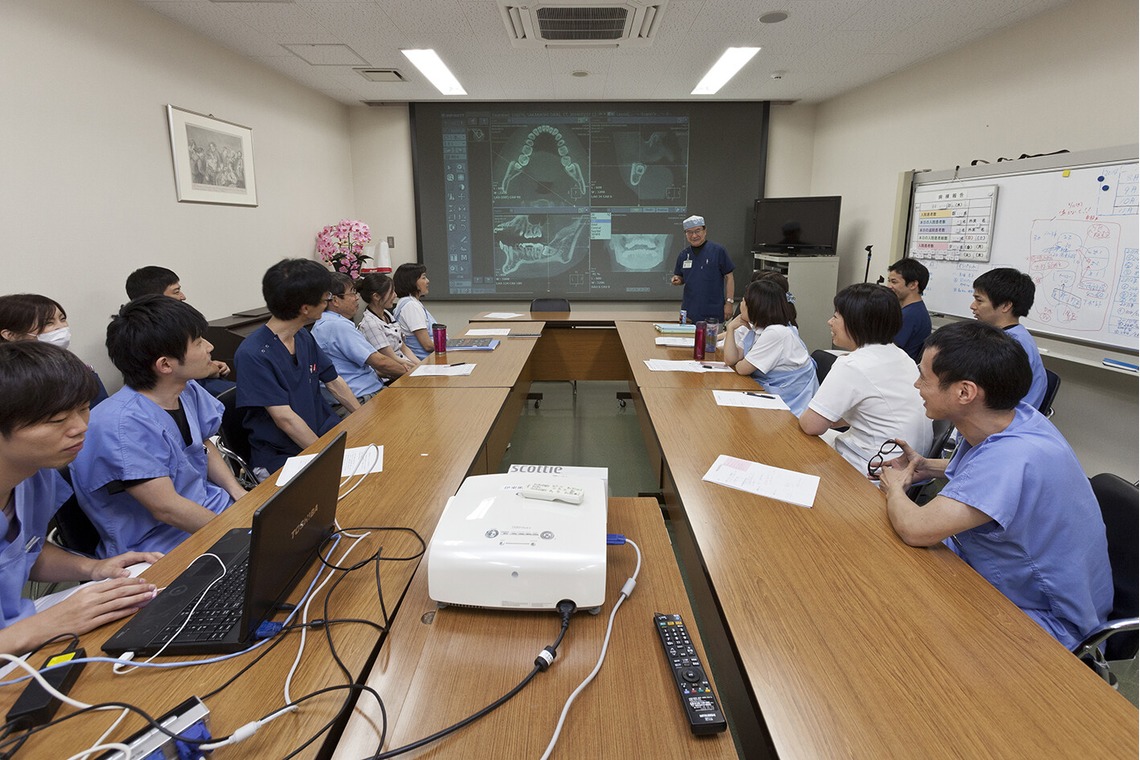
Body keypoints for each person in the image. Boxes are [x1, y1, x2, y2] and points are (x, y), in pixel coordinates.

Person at [878, 321, 1111, 649]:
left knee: (901, 629)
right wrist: (926, 467)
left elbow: (916, 528)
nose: (917, 385)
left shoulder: (1012, 456)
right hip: (993, 577)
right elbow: (987, 474)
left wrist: (894, 486)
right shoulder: (1014, 419)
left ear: (964, 392)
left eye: (924, 378)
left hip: (1044, 620)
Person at [0, 341, 161, 656]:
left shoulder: (37, 472)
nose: (80, 428)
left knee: (142, 598)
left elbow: (25, 551)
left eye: (84, 408)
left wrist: (94, 569)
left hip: (20, 622)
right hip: (15, 638)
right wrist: (41, 627)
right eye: (57, 420)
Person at [69, 296, 246, 558]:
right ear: (165, 365)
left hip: (214, 511)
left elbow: (202, 444)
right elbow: (167, 509)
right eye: (198, 342)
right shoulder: (120, 425)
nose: (210, 347)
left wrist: (239, 494)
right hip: (162, 545)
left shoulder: (187, 390)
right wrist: (238, 534)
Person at [234, 259, 359, 479]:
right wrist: (329, 458)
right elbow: (285, 419)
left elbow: (333, 381)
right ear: (305, 308)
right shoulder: (253, 354)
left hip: (323, 435)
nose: (328, 301)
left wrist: (363, 418)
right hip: (284, 456)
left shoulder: (302, 336)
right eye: (325, 297)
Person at [799, 283, 932, 470]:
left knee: (793, 444)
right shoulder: (901, 356)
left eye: (836, 316)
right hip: (908, 463)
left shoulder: (852, 365)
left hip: (872, 468)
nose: (830, 322)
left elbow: (811, 425)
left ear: (857, 323)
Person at [123, 266, 233, 395]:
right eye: (176, 292)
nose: (183, 297)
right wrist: (209, 369)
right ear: (155, 298)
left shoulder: (177, 322)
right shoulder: (145, 332)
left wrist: (208, 365)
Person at [722, 280, 818, 415]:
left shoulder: (776, 332)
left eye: (744, 301)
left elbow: (742, 369)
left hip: (790, 403)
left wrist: (740, 362)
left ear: (756, 306)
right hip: (772, 394)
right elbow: (731, 359)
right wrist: (731, 328)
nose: (741, 304)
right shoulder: (758, 329)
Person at [0, 293, 109, 407]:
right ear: (10, 335)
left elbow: (100, 412)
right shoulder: (9, 382)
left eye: (62, 319)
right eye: (48, 323)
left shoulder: (79, 370)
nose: (61, 327)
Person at [311, 273, 396, 416]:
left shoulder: (331, 322)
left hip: (368, 393)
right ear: (335, 300)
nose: (356, 297)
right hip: (360, 400)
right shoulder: (336, 325)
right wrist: (411, 372)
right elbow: (380, 362)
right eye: (352, 293)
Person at [970, 267, 1047, 410]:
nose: (972, 306)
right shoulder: (1007, 336)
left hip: (1008, 417)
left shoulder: (1012, 345)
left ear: (1006, 306)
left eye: (979, 300)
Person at [670, 215, 735, 323]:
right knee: (687, 334)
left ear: (705, 231)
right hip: (689, 311)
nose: (694, 235)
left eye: (697, 231)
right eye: (689, 232)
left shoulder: (718, 251)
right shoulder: (683, 255)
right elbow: (681, 277)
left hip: (713, 311)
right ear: (685, 234)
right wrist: (677, 279)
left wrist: (729, 303)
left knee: (714, 334)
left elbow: (729, 277)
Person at [357, 273, 418, 376]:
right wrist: (416, 368)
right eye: (391, 292)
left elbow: (403, 347)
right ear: (376, 296)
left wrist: (420, 364)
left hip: (405, 366)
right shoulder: (370, 324)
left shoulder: (387, 314)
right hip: (392, 374)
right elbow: (391, 358)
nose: (395, 295)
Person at [884, 258, 931, 362]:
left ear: (913, 285)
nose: (889, 286)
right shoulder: (917, 310)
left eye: (894, 282)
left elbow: (888, 351)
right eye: (889, 281)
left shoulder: (909, 315)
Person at [391, 263, 438, 360]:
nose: (427, 281)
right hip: (423, 361)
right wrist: (451, 346)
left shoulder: (410, 302)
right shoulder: (411, 306)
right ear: (412, 282)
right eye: (423, 278)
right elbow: (428, 345)